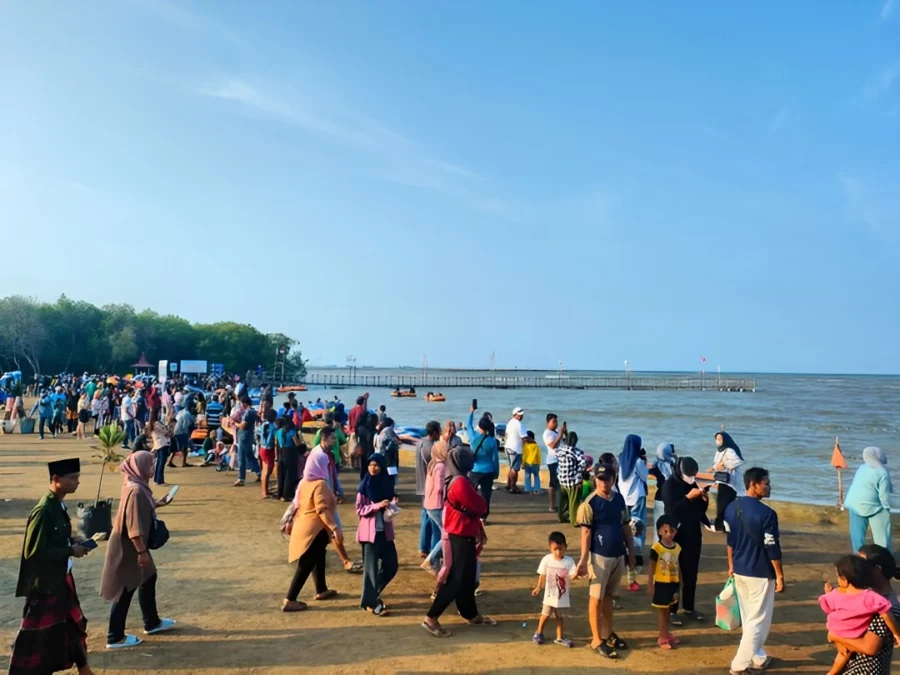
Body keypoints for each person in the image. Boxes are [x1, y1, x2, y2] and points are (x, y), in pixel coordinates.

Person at [9, 458, 94, 675]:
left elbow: (52, 540)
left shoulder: (58, 505)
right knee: (35, 638)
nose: (77, 482)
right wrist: (69, 550)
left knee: (72, 626)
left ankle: (84, 669)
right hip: (45, 585)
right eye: (72, 478)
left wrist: (71, 540)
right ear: (56, 479)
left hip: (60, 580)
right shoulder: (44, 510)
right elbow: (33, 552)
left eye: (78, 478)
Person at [100, 451, 176, 649]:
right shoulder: (136, 491)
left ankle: (152, 622)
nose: (153, 468)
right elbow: (134, 527)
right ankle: (114, 636)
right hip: (130, 546)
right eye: (150, 465)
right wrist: (142, 552)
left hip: (132, 544)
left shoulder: (136, 486)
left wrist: (157, 503)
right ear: (140, 468)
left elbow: (138, 511)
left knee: (148, 577)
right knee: (125, 588)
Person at [421, 447, 493, 637]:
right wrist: (480, 500)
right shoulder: (460, 482)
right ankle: (431, 617)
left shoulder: (459, 478)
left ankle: (470, 613)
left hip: (465, 531)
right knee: (456, 578)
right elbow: (480, 506)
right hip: (458, 533)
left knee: (468, 576)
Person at [723, 467, 784, 675]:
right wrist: (780, 575)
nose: (769, 487)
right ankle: (739, 666)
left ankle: (758, 656)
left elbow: (730, 540)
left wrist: (731, 565)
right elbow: (772, 547)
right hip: (760, 572)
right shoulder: (767, 514)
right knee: (757, 622)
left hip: (740, 569)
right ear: (753, 485)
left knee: (750, 617)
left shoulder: (731, 507)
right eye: (765, 483)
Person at [575, 463, 636, 659]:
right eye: (600, 479)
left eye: (607, 479)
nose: (603, 482)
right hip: (598, 556)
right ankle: (596, 639)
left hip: (618, 554)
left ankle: (607, 633)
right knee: (596, 598)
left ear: (613, 479)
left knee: (609, 596)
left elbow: (626, 526)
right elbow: (585, 534)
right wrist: (583, 561)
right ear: (595, 479)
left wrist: (631, 553)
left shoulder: (619, 499)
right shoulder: (589, 504)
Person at [820, 554, 900, 675]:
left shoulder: (839, 594)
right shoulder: (873, 598)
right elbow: (885, 612)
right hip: (853, 639)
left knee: (842, 654)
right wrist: (897, 634)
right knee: (843, 654)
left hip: (863, 667)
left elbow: (870, 648)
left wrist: (834, 636)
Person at [283, 450, 341, 612]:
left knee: (319, 556)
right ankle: (290, 599)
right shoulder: (320, 484)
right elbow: (322, 509)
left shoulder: (304, 482)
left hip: (303, 525)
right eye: (326, 464)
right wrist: (334, 528)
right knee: (306, 563)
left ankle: (321, 589)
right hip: (314, 529)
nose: (328, 467)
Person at [660, 456, 710, 624]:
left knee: (691, 573)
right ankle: (672, 610)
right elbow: (671, 512)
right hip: (675, 535)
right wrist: (688, 498)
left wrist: (704, 501)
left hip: (693, 534)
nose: (691, 478)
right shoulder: (669, 485)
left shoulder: (694, 484)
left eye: (693, 475)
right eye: (689, 474)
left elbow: (698, 511)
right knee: (674, 574)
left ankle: (689, 608)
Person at [356, 453, 399, 616]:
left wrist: (392, 506)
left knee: (391, 566)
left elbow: (388, 504)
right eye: (370, 465)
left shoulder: (386, 484)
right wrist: (376, 506)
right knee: (371, 571)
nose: (373, 468)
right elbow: (359, 510)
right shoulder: (364, 487)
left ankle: (371, 596)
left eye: (376, 465)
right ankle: (370, 603)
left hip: (385, 533)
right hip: (369, 534)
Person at [531, 530, 577, 647]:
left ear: (566, 547)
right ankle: (538, 632)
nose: (557, 552)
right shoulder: (547, 559)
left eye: (560, 549)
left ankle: (559, 637)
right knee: (545, 614)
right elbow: (542, 575)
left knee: (560, 618)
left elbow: (572, 575)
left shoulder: (569, 562)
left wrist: (579, 574)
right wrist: (538, 587)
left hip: (562, 596)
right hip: (549, 595)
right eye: (555, 549)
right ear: (550, 548)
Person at [845, 446, 893, 553]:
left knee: (857, 536)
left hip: (854, 503)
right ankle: (883, 555)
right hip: (872, 506)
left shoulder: (862, 467)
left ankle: (858, 556)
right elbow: (884, 496)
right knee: (882, 535)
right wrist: (886, 508)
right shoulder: (883, 472)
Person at [618, 434, 648, 591]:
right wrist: (644, 460)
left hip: (623, 498)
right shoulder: (637, 461)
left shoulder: (620, 459)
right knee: (638, 528)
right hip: (637, 497)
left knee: (626, 526)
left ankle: (626, 553)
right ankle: (637, 557)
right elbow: (645, 475)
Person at [648, 515, 682, 649]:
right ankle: (662, 637)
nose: (669, 534)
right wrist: (650, 584)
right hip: (661, 583)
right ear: (659, 531)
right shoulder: (656, 548)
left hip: (673, 583)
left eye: (672, 531)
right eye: (665, 531)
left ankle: (666, 633)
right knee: (662, 611)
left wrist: (681, 584)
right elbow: (651, 566)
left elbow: (679, 566)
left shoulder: (678, 547)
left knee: (669, 610)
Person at [421, 430, 450, 575]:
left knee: (439, 533)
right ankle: (431, 560)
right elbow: (439, 487)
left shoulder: (432, 464)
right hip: (437, 505)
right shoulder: (440, 467)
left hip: (429, 504)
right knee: (447, 534)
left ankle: (436, 562)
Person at [466, 407, 500, 523]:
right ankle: (483, 517)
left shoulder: (473, 437)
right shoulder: (492, 441)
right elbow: (495, 458)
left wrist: (471, 412)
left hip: (474, 469)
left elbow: (468, 425)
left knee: (470, 492)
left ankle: (470, 513)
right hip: (488, 471)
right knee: (486, 495)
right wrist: (496, 472)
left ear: (479, 426)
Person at [415, 421, 442, 558]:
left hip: (421, 484)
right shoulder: (431, 448)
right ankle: (432, 549)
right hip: (428, 487)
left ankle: (423, 547)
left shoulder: (420, 443)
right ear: (435, 432)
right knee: (433, 521)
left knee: (425, 517)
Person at [712, 430, 745, 532]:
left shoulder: (730, 450)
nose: (718, 441)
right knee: (721, 503)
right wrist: (716, 467)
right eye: (716, 439)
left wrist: (724, 464)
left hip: (730, 482)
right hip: (721, 481)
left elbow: (738, 462)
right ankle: (720, 524)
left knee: (725, 504)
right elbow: (716, 464)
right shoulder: (719, 451)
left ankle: (723, 525)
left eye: (720, 439)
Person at [557, 431, 586, 526]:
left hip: (562, 479)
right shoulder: (575, 451)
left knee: (563, 501)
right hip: (572, 481)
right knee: (574, 502)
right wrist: (578, 475)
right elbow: (583, 463)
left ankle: (562, 517)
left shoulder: (560, 449)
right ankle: (574, 521)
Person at [649, 443, 677, 544]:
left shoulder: (656, 466)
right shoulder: (675, 466)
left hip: (659, 497)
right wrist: (675, 457)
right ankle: (669, 545)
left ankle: (657, 548)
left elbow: (647, 475)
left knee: (658, 524)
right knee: (670, 525)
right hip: (673, 499)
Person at [233, 395, 261, 487]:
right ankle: (259, 472)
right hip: (249, 436)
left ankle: (241, 478)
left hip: (244, 436)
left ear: (244, 403)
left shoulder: (248, 413)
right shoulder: (253, 411)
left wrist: (235, 424)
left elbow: (242, 425)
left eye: (241, 403)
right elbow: (258, 421)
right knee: (250, 455)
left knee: (242, 457)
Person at [275, 415, 302, 501]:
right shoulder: (292, 432)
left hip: (281, 453)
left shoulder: (278, 432)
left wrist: (276, 456)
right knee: (289, 475)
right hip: (290, 453)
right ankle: (287, 495)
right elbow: (297, 444)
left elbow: (276, 444)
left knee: (281, 474)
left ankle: (280, 493)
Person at [543, 414, 564, 514]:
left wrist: (564, 432)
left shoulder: (554, 432)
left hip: (557, 459)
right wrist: (560, 434)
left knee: (552, 483)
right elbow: (552, 445)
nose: (556, 424)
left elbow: (564, 442)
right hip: (553, 460)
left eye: (556, 421)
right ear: (548, 423)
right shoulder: (547, 433)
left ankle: (552, 505)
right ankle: (558, 505)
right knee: (557, 484)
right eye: (553, 422)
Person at [504, 407, 528, 493]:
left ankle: (509, 484)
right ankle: (513, 487)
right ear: (515, 415)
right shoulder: (519, 425)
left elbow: (506, 435)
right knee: (515, 469)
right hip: (516, 449)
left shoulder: (510, 422)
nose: (521, 416)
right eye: (519, 415)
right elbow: (524, 438)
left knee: (511, 467)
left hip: (508, 447)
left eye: (522, 415)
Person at [149, 415, 173, 486]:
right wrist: (169, 425)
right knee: (161, 463)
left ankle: (156, 479)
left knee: (159, 462)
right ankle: (160, 480)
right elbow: (166, 432)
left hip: (158, 444)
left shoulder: (152, 424)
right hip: (162, 444)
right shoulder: (157, 424)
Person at [169, 404, 194, 469]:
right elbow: (185, 426)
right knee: (185, 447)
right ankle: (184, 463)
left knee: (175, 448)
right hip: (181, 432)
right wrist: (187, 435)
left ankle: (169, 461)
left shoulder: (181, 412)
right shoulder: (187, 414)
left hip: (175, 430)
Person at [259, 410, 277, 498]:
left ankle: (265, 490)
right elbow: (275, 439)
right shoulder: (273, 426)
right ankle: (264, 492)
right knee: (267, 471)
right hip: (269, 449)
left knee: (264, 470)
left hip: (262, 448)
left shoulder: (263, 425)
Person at [376, 417, 400, 485]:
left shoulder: (381, 432)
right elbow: (391, 445)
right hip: (389, 458)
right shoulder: (388, 431)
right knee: (391, 475)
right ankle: (389, 490)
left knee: (384, 475)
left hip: (382, 456)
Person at [355, 413, 378, 480]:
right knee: (371, 470)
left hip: (363, 450)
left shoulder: (360, 428)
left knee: (364, 468)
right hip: (371, 452)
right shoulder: (374, 432)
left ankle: (362, 483)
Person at [522, 430, 542, 495]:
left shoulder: (526, 445)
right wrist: (539, 464)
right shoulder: (536, 445)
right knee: (536, 476)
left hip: (527, 462)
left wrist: (522, 463)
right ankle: (537, 489)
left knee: (527, 475)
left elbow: (524, 455)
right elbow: (538, 456)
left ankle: (528, 488)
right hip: (535, 463)